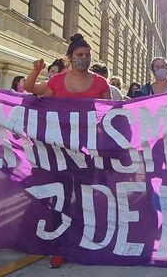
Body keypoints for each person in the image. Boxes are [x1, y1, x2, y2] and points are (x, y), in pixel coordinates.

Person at [32, 34, 110, 268]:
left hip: (89, 149)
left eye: (87, 56)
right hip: (59, 148)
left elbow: (110, 113)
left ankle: (88, 239)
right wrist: (36, 71)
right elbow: (29, 89)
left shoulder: (100, 83)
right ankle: (63, 244)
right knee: (62, 197)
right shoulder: (56, 81)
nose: (83, 59)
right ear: (69, 57)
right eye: (78, 55)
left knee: (88, 195)